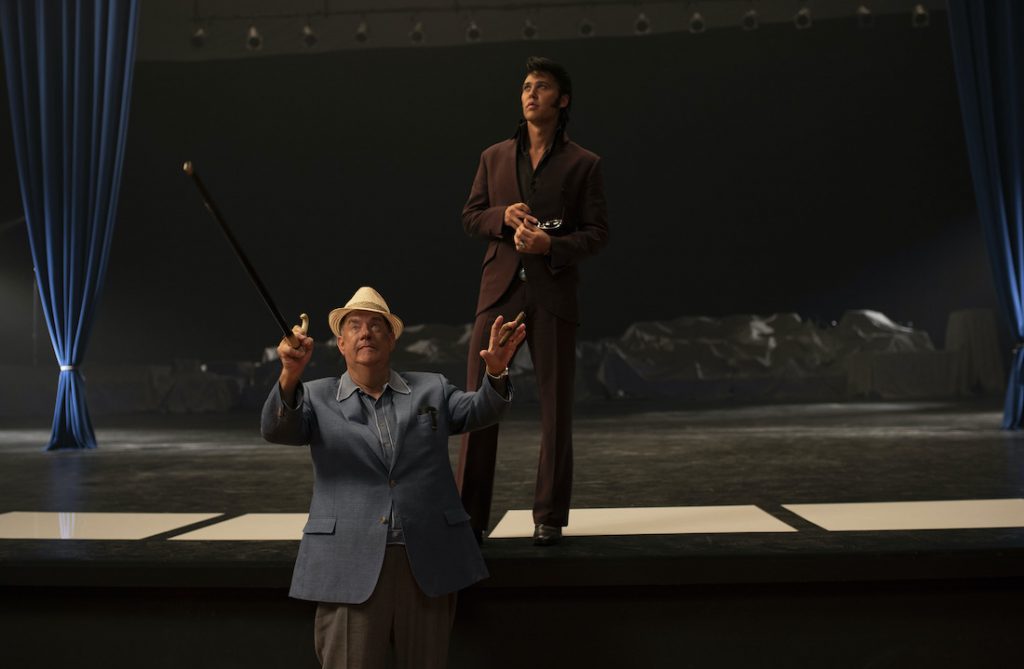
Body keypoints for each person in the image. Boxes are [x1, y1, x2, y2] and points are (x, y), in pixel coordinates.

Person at [261, 286, 525, 669]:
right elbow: (277, 429)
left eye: (376, 325)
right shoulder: (315, 397)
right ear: (341, 343)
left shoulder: (432, 388)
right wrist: (289, 373)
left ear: (392, 339)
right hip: (349, 561)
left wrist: (496, 371)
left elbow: (482, 410)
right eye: (354, 326)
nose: (365, 333)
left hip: (427, 561)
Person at [457, 56, 609, 546]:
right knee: (479, 401)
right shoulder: (494, 156)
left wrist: (552, 246)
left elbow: (597, 233)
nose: (530, 93)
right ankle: (469, 517)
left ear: (562, 100)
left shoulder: (584, 163)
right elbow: (471, 216)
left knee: (555, 409)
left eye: (541, 86)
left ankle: (549, 516)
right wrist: (502, 216)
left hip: (553, 293)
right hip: (499, 290)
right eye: (526, 86)